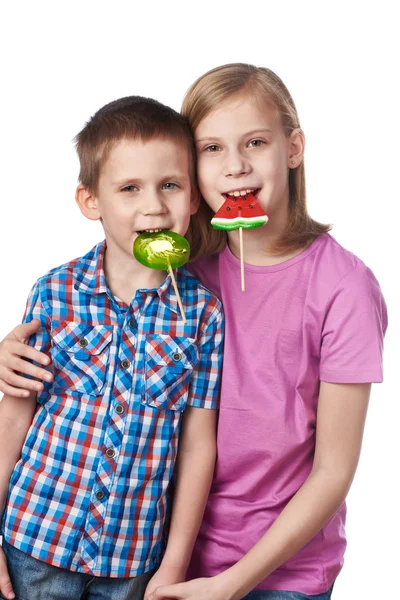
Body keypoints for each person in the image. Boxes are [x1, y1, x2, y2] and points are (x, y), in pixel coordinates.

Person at [0, 63, 387, 600]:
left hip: (277, 570)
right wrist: (8, 354)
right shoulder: (184, 276)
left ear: (293, 148)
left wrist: (228, 583)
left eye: (255, 142)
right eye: (211, 148)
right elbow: (53, 375)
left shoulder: (341, 286)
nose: (235, 167)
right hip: (155, 552)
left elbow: (331, 470)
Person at [0, 96, 224, 600]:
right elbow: (14, 417)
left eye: (170, 185)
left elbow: (196, 445)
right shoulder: (52, 293)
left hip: (132, 559)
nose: (154, 205)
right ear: (90, 201)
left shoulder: (204, 316)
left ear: (193, 199)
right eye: (129, 188)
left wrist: (174, 563)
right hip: (35, 542)